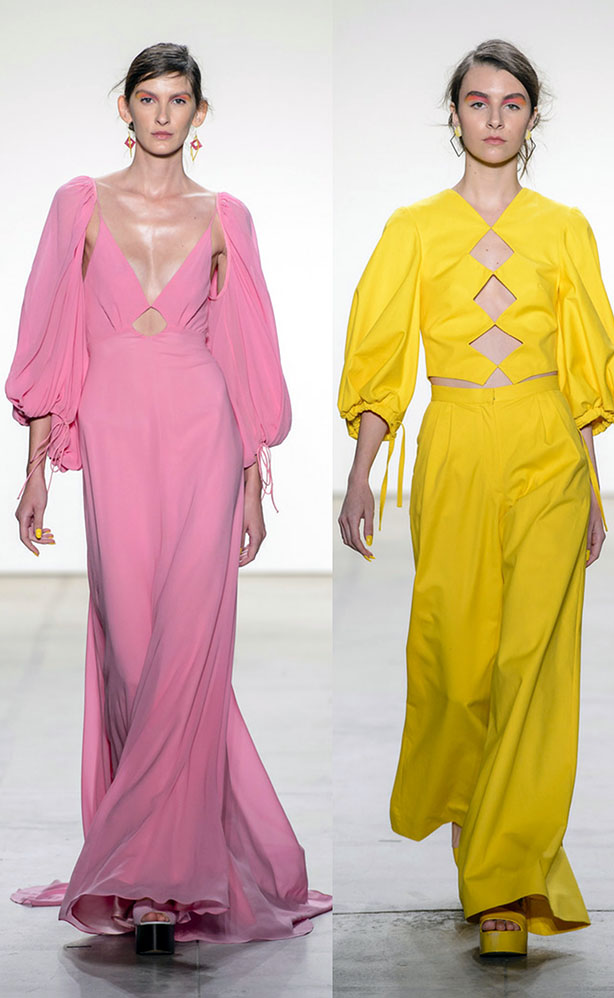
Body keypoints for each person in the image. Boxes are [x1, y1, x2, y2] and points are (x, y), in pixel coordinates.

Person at [6, 42, 331, 955]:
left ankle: (159, 883)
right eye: (147, 98)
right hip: (115, 435)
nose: (161, 114)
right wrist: (35, 468)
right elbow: (53, 340)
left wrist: (252, 484)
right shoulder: (78, 205)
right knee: (131, 650)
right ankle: (149, 855)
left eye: (177, 99)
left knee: (189, 652)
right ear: (125, 107)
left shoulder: (226, 217)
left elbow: (244, 352)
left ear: (198, 113)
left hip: (203, 436)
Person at [337, 38, 614, 957]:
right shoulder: (413, 228)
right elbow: (383, 354)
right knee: (460, 661)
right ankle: (476, 815)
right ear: (454, 112)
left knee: (532, 663)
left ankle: (504, 883)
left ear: (531, 116)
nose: (493, 117)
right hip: (456, 446)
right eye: (476, 101)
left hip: (546, 449)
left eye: (510, 103)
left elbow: (581, 364)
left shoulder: (565, 228)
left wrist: (591, 485)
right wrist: (360, 472)